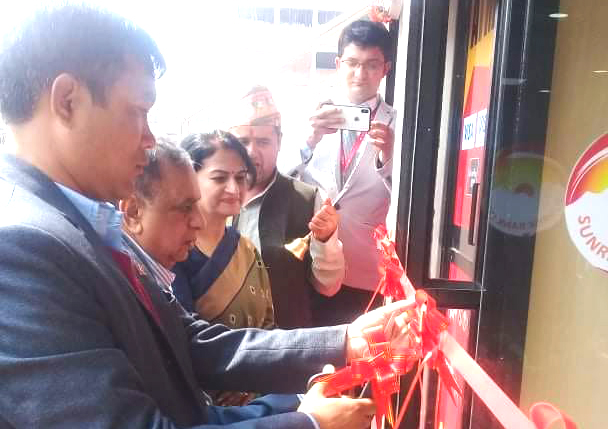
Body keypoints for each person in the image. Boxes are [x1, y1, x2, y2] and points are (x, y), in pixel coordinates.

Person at [0, 5, 413, 429]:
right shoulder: (19, 250)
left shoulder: (85, 223)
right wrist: (309, 424)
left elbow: (186, 341)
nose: (149, 139)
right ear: (67, 101)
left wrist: (346, 341)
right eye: (137, 112)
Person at [293, 20, 397, 325]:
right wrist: (310, 139)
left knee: (361, 350)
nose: (360, 74)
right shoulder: (312, 115)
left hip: (366, 270)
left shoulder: (398, 124)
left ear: (386, 69)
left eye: (371, 65)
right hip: (310, 259)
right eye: (352, 63)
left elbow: (408, 200)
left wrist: (388, 156)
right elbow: (282, 177)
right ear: (339, 65)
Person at [229, 85, 345, 328]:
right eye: (242, 141)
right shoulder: (208, 197)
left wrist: (325, 240)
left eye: (263, 142)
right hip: (220, 343)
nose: (251, 152)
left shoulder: (306, 199)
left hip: (283, 343)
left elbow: (328, 286)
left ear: (279, 142)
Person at [173, 130, 275, 330]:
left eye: (240, 178)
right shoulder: (175, 253)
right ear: (188, 178)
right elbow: (187, 336)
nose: (234, 189)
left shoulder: (246, 249)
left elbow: (268, 323)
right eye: (219, 178)